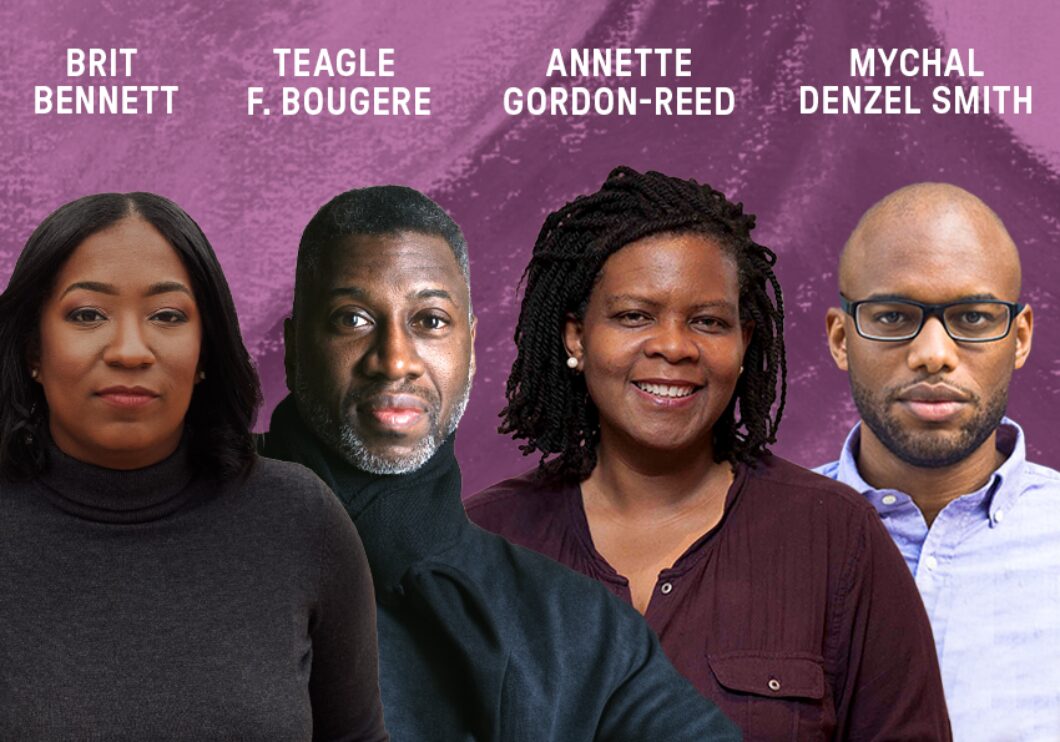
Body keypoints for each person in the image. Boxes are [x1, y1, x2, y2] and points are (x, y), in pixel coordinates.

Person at [467, 166, 951, 740]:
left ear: (743, 343)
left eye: (707, 322)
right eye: (634, 316)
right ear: (577, 336)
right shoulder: (478, 547)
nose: (673, 346)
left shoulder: (837, 538)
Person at [260, 185, 739, 741]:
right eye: (353, 319)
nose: (394, 360)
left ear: (470, 348)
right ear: (295, 348)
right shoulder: (180, 526)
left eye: (431, 321)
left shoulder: (577, 628)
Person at [0, 193, 387, 741]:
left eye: (167, 315)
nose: (130, 350)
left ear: (205, 350)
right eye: (87, 314)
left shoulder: (300, 520)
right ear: (32, 349)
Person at [816, 182, 1060, 740]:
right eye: (894, 316)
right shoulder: (757, 540)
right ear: (839, 338)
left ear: (1019, 338)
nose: (933, 355)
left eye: (973, 318)